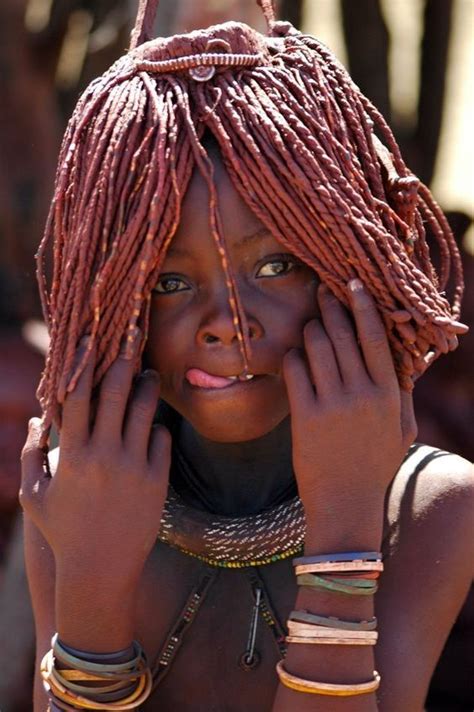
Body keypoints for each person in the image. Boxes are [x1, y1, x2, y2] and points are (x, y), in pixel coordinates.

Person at [19, 1, 473, 710]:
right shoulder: (81, 496)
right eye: (170, 282)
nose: (227, 323)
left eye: (274, 269)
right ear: (109, 304)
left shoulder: (428, 508)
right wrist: (91, 590)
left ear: (346, 264)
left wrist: (346, 534)